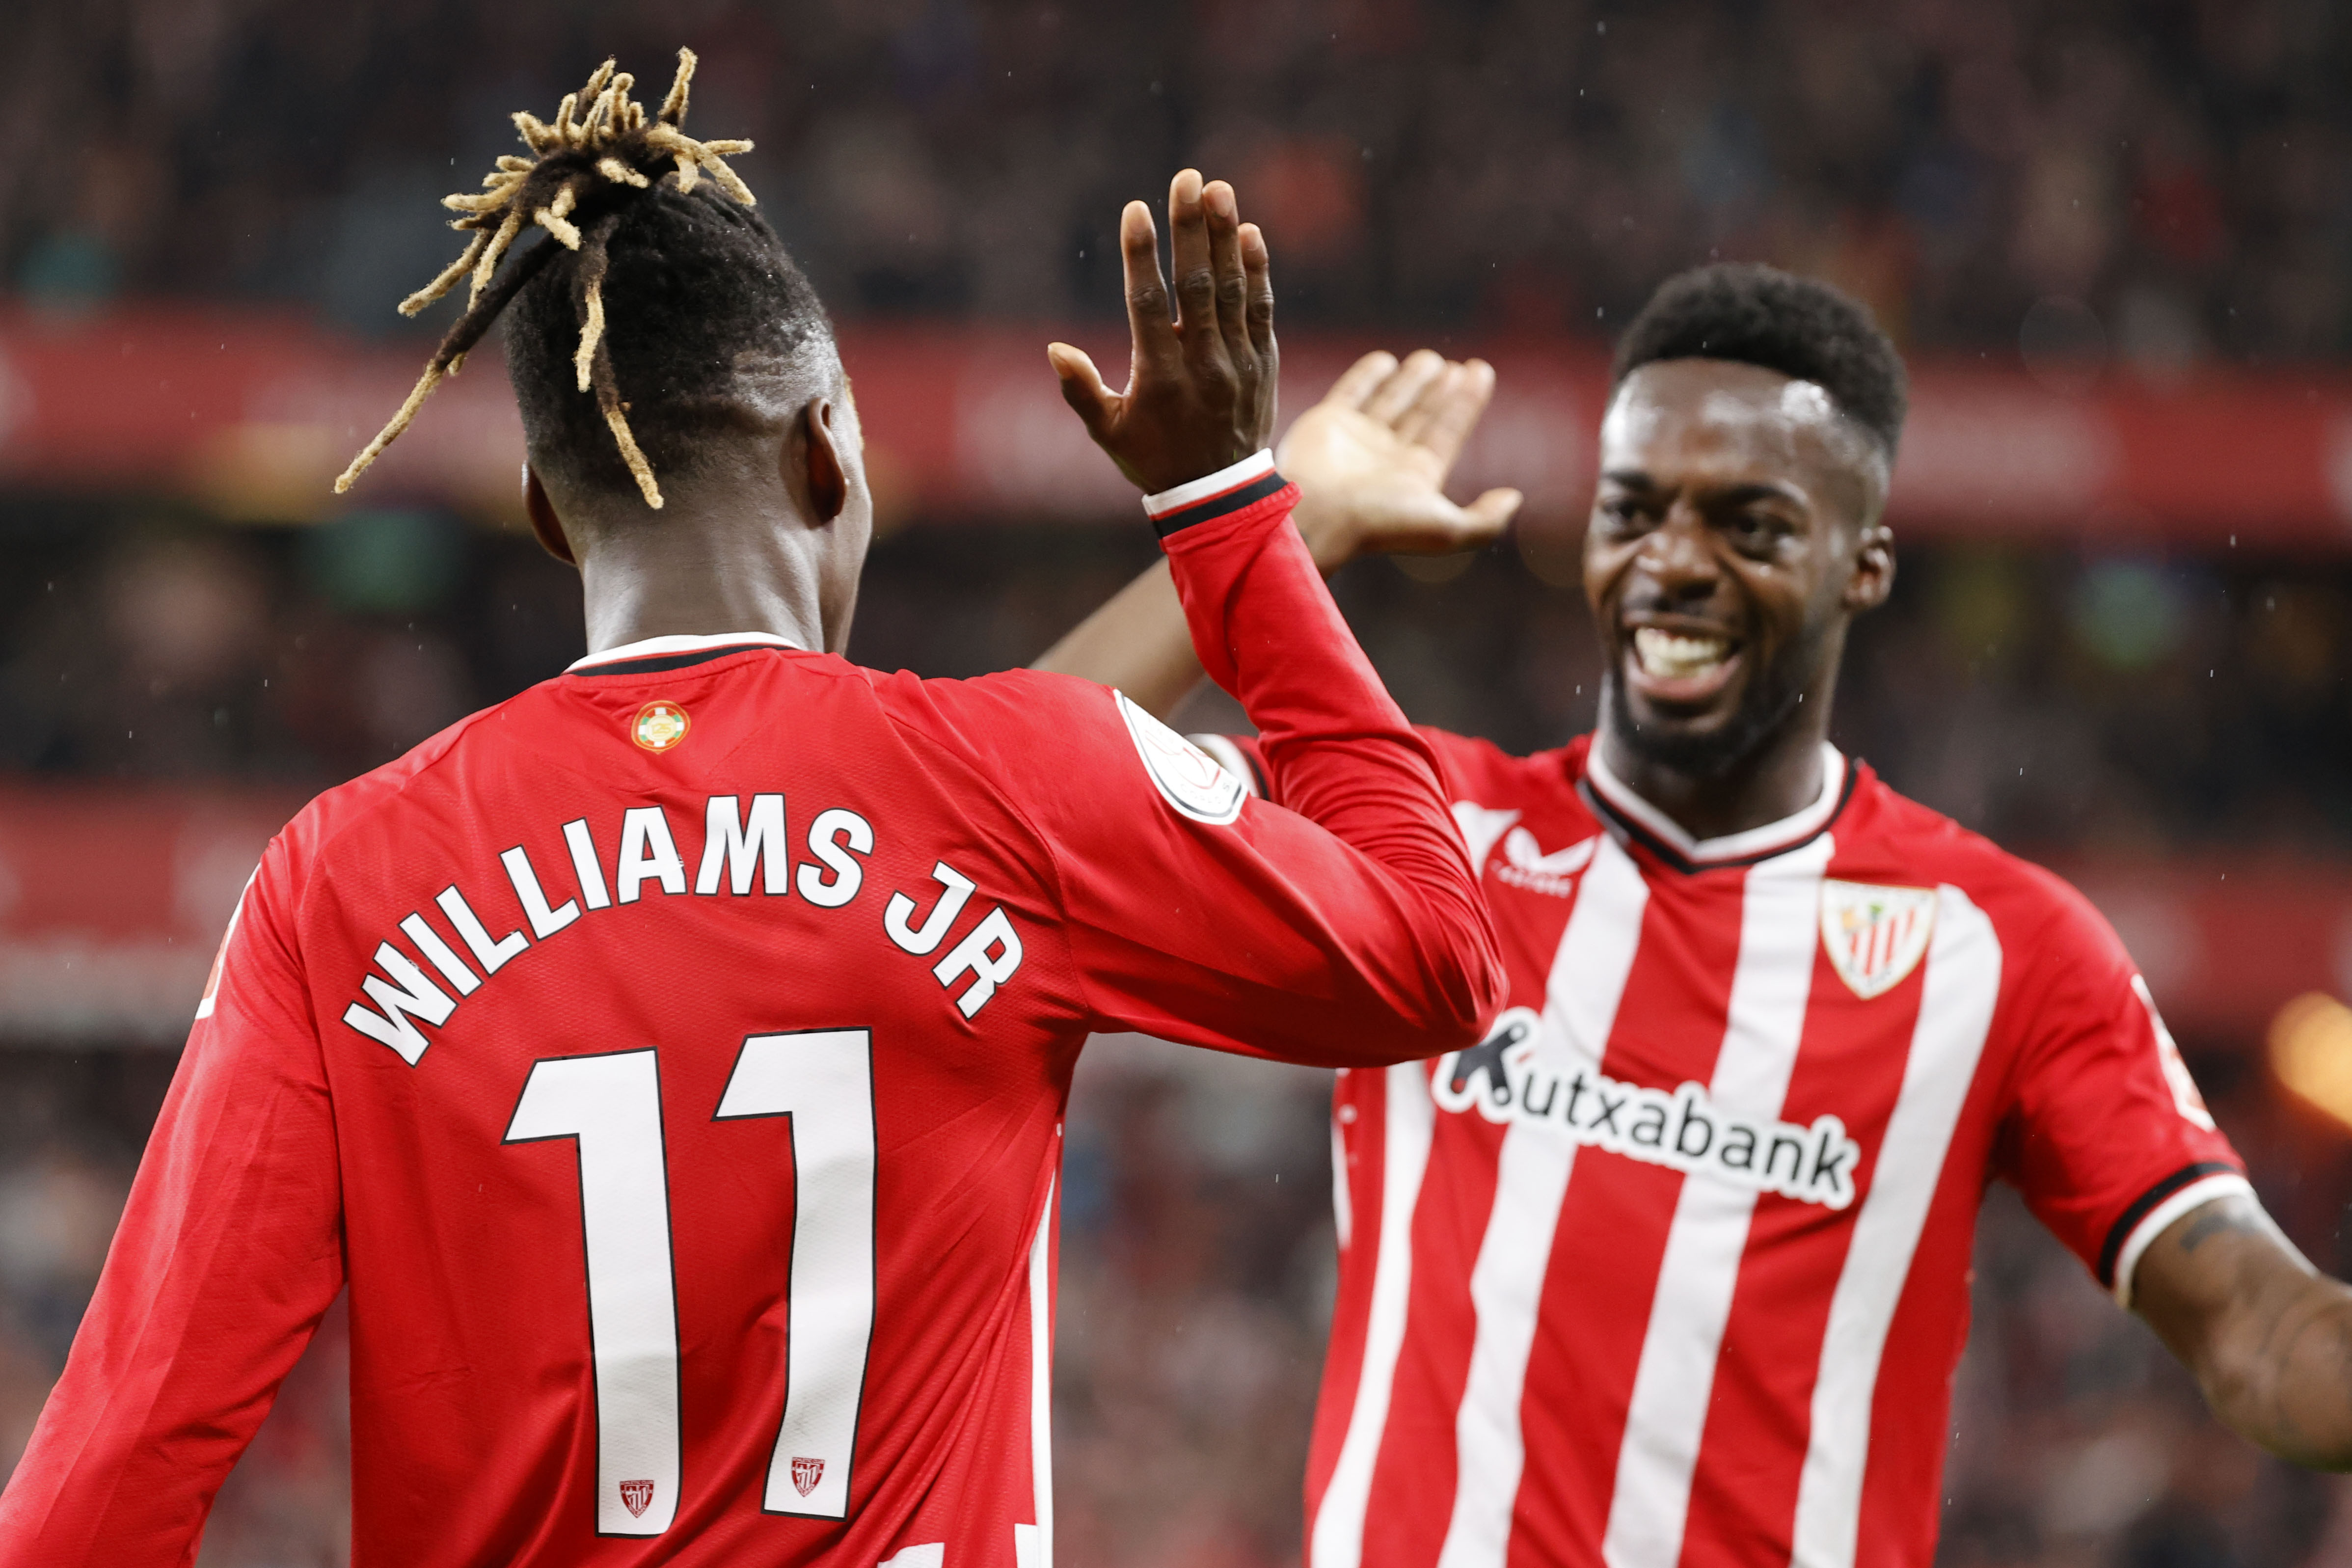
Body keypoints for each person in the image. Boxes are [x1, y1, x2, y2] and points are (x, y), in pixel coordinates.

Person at [0, 54, 1505, 1568]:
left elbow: (111, 1471)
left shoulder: (337, 883)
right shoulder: (1012, 787)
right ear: (830, 453)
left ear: (544, 507)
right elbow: (1439, 948)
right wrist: (1236, 516)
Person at [1037, 262, 2352, 1568]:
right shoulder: (1419, 821)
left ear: (1867, 563)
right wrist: (1279, 528)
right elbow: (999, 795)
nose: (1675, 561)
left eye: (1750, 523)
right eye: (1636, 509)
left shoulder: (2001, 946)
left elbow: (2249, 1321)